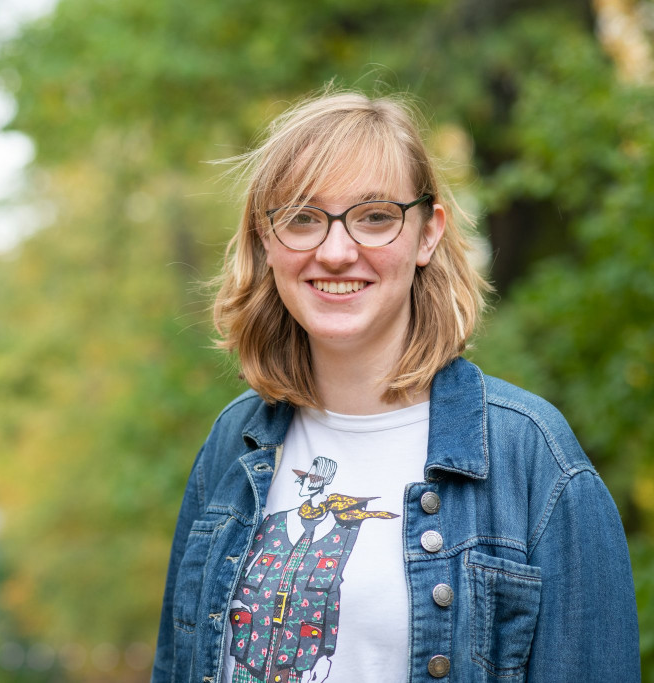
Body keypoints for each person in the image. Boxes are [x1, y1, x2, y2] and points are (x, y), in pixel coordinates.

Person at [152, 90, 639, 683]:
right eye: (303, 218)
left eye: (375, 216)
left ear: (428, 235)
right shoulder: (234, 442)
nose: (336, 251)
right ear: (265, 239)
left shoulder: (531, 458)